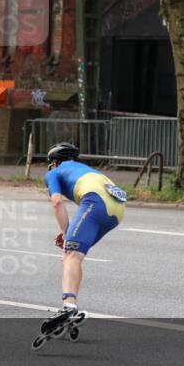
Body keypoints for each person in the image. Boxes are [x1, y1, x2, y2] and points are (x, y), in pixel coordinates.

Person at [34, 142, 126, 346]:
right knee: (74, 256)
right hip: (117, 209)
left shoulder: (54, 173)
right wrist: (67, 234)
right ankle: (72, 304)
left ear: (54, 163)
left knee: (71, 256)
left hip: (95, 203)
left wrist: (67, 233)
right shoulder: (85, 169)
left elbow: (57, 202)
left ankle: (69, 307)